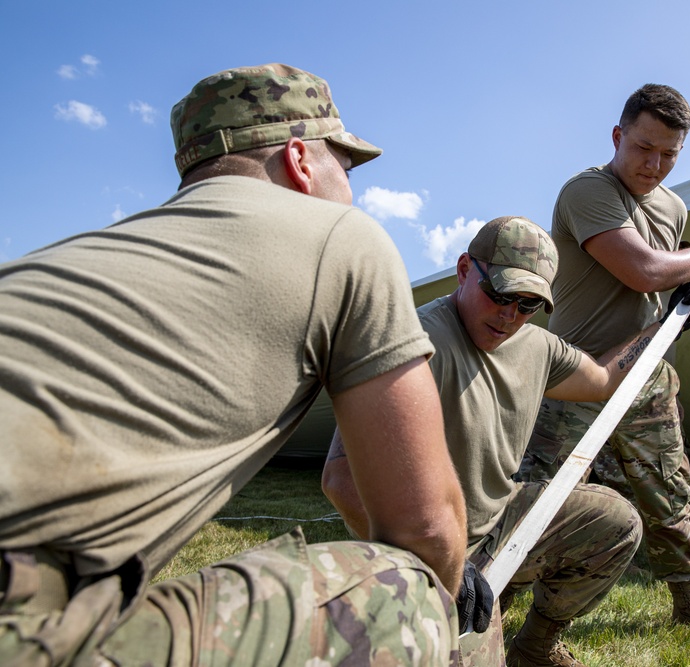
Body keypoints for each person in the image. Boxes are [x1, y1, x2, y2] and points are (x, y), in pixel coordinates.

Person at [0, 63, 470, 666]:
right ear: (301, 161)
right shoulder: (343, 237)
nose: (352, 190)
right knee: (408, 592)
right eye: (344, 167)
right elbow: (425, 531)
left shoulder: (85, 258)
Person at [324, 216, 690, 667]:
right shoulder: (416, 343)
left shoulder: (537, 346)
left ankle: (535, 646)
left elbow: (603, 379)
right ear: (465, 269)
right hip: (411, 549)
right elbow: (342, 480)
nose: (510, 315)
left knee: (616, 522)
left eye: (528, 304)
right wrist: (437, 560)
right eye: (500, 295)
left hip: (497, 525)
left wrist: (667, 327)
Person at [517, 83, 690, 645]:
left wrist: (689, 284)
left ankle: (688, 603)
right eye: (644, 147)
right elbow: (644, 271)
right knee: (539, 497)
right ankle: (490, 597)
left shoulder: (673, 206)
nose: (654, 164)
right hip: (575, 376)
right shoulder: (586, 191)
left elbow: (661, 277)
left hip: (647, 375)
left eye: (669, 153)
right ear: (618, 136)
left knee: (668, 493)